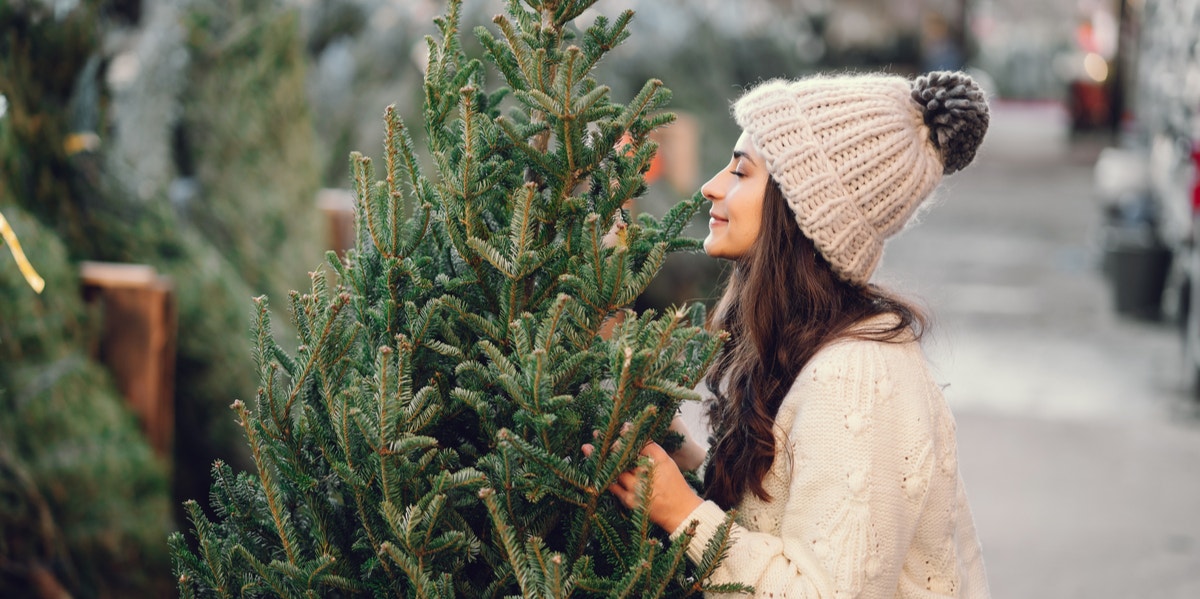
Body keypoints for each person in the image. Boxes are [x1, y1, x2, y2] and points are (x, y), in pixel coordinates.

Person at [585, 71, 991, 597]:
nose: (712, 186)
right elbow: (793, 513)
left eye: (741, 172)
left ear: (799, 210)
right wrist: (687, 456)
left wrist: (683, 513)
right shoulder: (809, 344)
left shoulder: (855, 378)